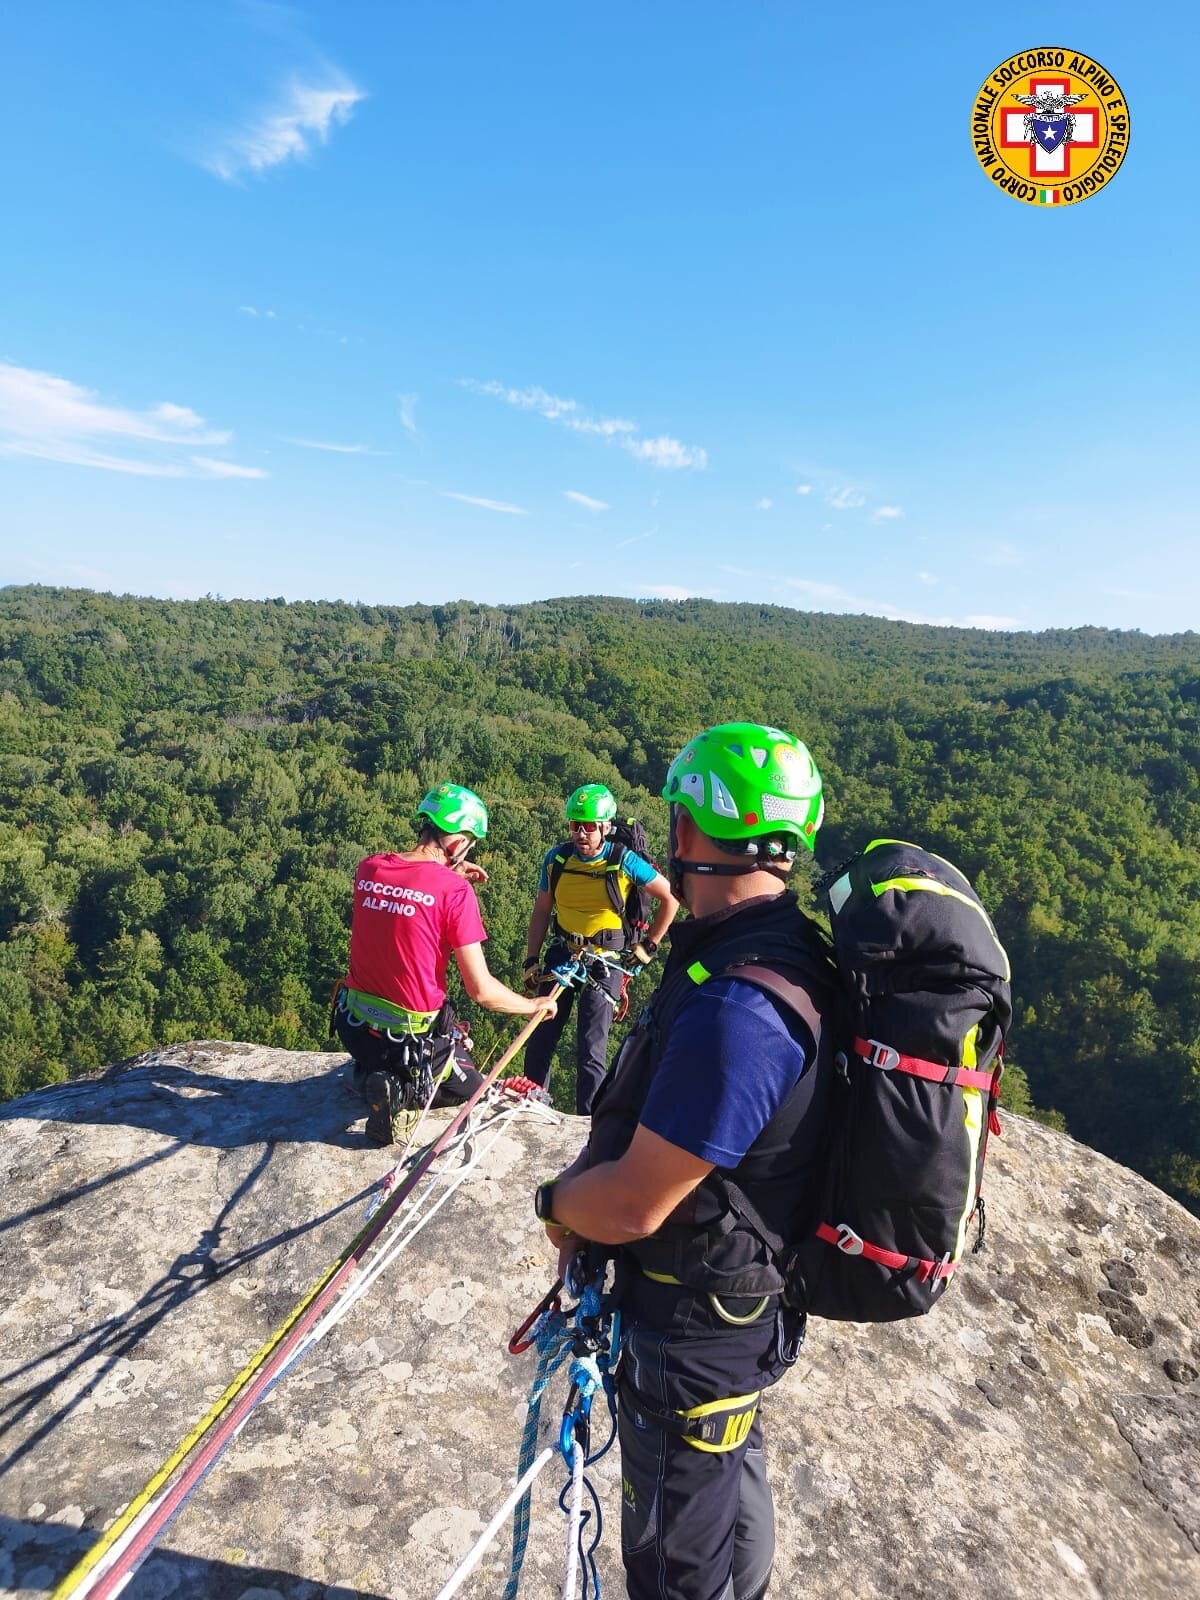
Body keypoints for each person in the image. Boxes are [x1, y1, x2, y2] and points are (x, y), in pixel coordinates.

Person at [530, 725, 834, 1600]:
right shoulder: (781, 946)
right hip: (738, 1303)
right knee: (729, 1479)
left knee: (672, 1556)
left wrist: (554, 1202)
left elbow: (631, 1207)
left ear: (690, 831)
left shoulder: (739, 1003)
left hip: (696, 1322)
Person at [333, 782, 556, 1144]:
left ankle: (369, 1074)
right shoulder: (454, 892)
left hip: (355, 1029)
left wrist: (449, 872)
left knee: (384, 1055)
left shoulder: (369, 869)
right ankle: (399, 1094)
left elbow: (409, 894)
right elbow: (481, 990)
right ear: (458, 842)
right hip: (411, 1040)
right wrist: (532, 1005)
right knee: (474, 1087)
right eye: (469, 840)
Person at [521, 783, 678, 1115]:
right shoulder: (557, 860)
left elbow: (670, 898)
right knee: (539, 1037)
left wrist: (648, 947)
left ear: (606, 826)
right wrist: (531, 960)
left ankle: (588, 1124)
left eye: (589, 825)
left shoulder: (623, 861)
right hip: (563, 954)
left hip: (603, 962)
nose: (581, 833)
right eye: (575, 825)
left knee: (591, 1048)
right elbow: (541, 911)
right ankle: (530, 1104)